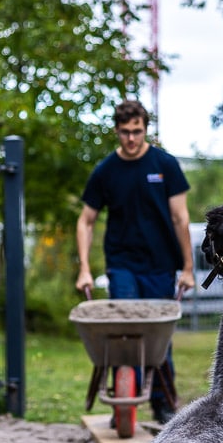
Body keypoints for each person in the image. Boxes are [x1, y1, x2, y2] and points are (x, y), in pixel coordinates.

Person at [75, 99, 195, 423]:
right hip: (122, 264)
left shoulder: (165, 165)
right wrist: (85, 269)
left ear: (145, 129)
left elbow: (180, 218)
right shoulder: (105, 171)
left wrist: (187, 268)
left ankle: (163, 405)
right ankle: (123, 403)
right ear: (117, 130)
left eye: (137, 131)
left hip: (160, 264)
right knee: (123, 333)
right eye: (125, 132)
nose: (131, 139)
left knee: (159, 337)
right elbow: (86, 220)